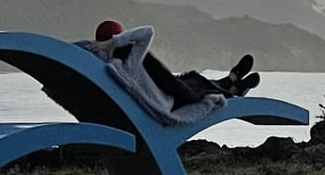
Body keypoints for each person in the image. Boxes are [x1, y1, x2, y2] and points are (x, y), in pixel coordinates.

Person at [87, 20, 260, 116]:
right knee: (195, 83)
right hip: (167, 103)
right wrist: (115, 42)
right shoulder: (129, 62)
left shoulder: (109, 68)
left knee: (191, 81)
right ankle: (233, 88)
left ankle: (231, 81)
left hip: (157, 101)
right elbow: (148, 31)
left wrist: (102, 46)